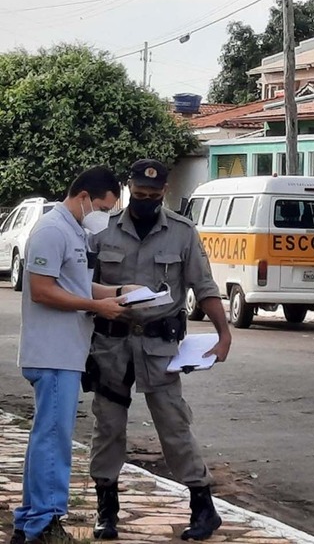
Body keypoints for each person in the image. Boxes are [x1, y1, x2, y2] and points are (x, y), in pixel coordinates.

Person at [86, 159, 232, 541]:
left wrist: (224, 334)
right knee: (108, 428)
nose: (146, 200)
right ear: (129, 187)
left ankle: (203, 509)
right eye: (139, 193)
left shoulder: (183, 233)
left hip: (159, 347)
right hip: (111, 346)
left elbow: (205, 286)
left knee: (174, 426)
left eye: (153, 195)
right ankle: (107, 513)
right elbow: (83, 287)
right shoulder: (103, 233)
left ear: (164, 191)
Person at [12, 167, 132, 544]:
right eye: (101, 206)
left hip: (64, 352)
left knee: (44, 438)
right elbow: (42, 291)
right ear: (83, 196)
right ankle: (45, 523)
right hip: (52, 352)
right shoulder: (51, 230)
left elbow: (76, 283)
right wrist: (95, 307)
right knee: (53, 439)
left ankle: (29, 519)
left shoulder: (72, 232)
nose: (102, 215)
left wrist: (117, 292)